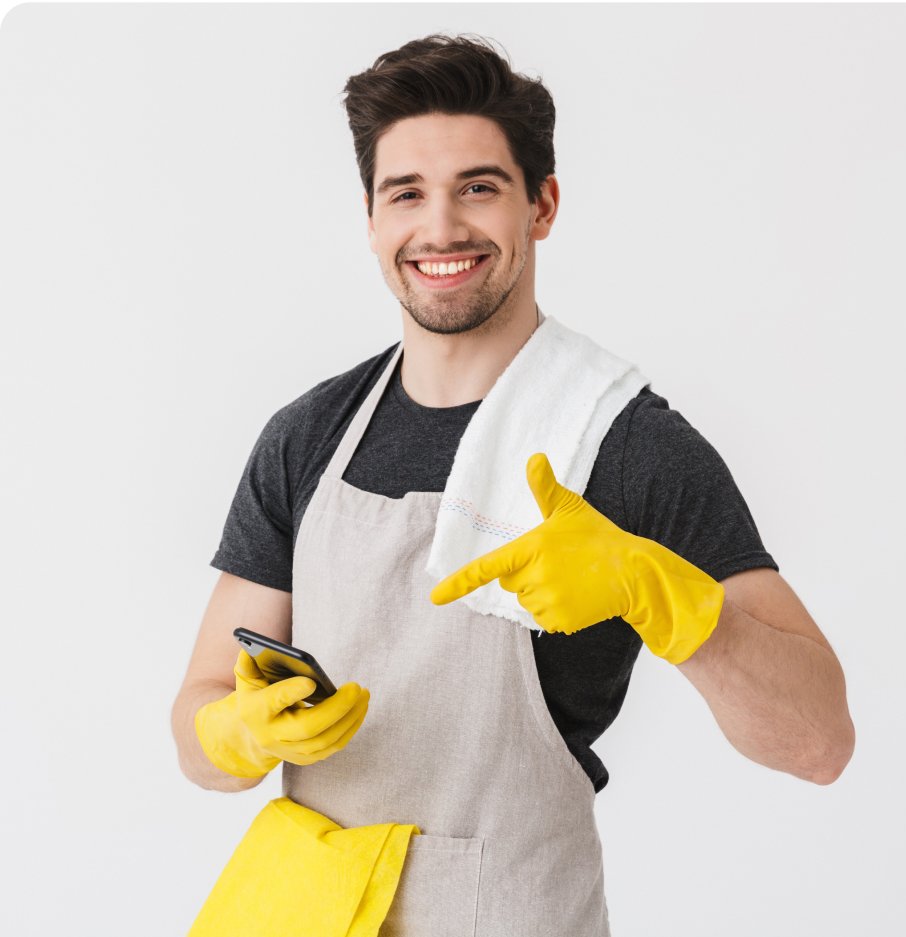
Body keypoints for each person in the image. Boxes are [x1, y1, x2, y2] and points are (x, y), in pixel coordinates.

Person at [171, 33, 855, 935]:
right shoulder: (308, 438)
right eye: (406, 193)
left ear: (543, 205)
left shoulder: (626, 446)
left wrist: (659, 591)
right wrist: (235, 733)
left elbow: (819, 741)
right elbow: (199, 712)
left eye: (479, 187)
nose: (440, 228)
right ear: (371, 219)